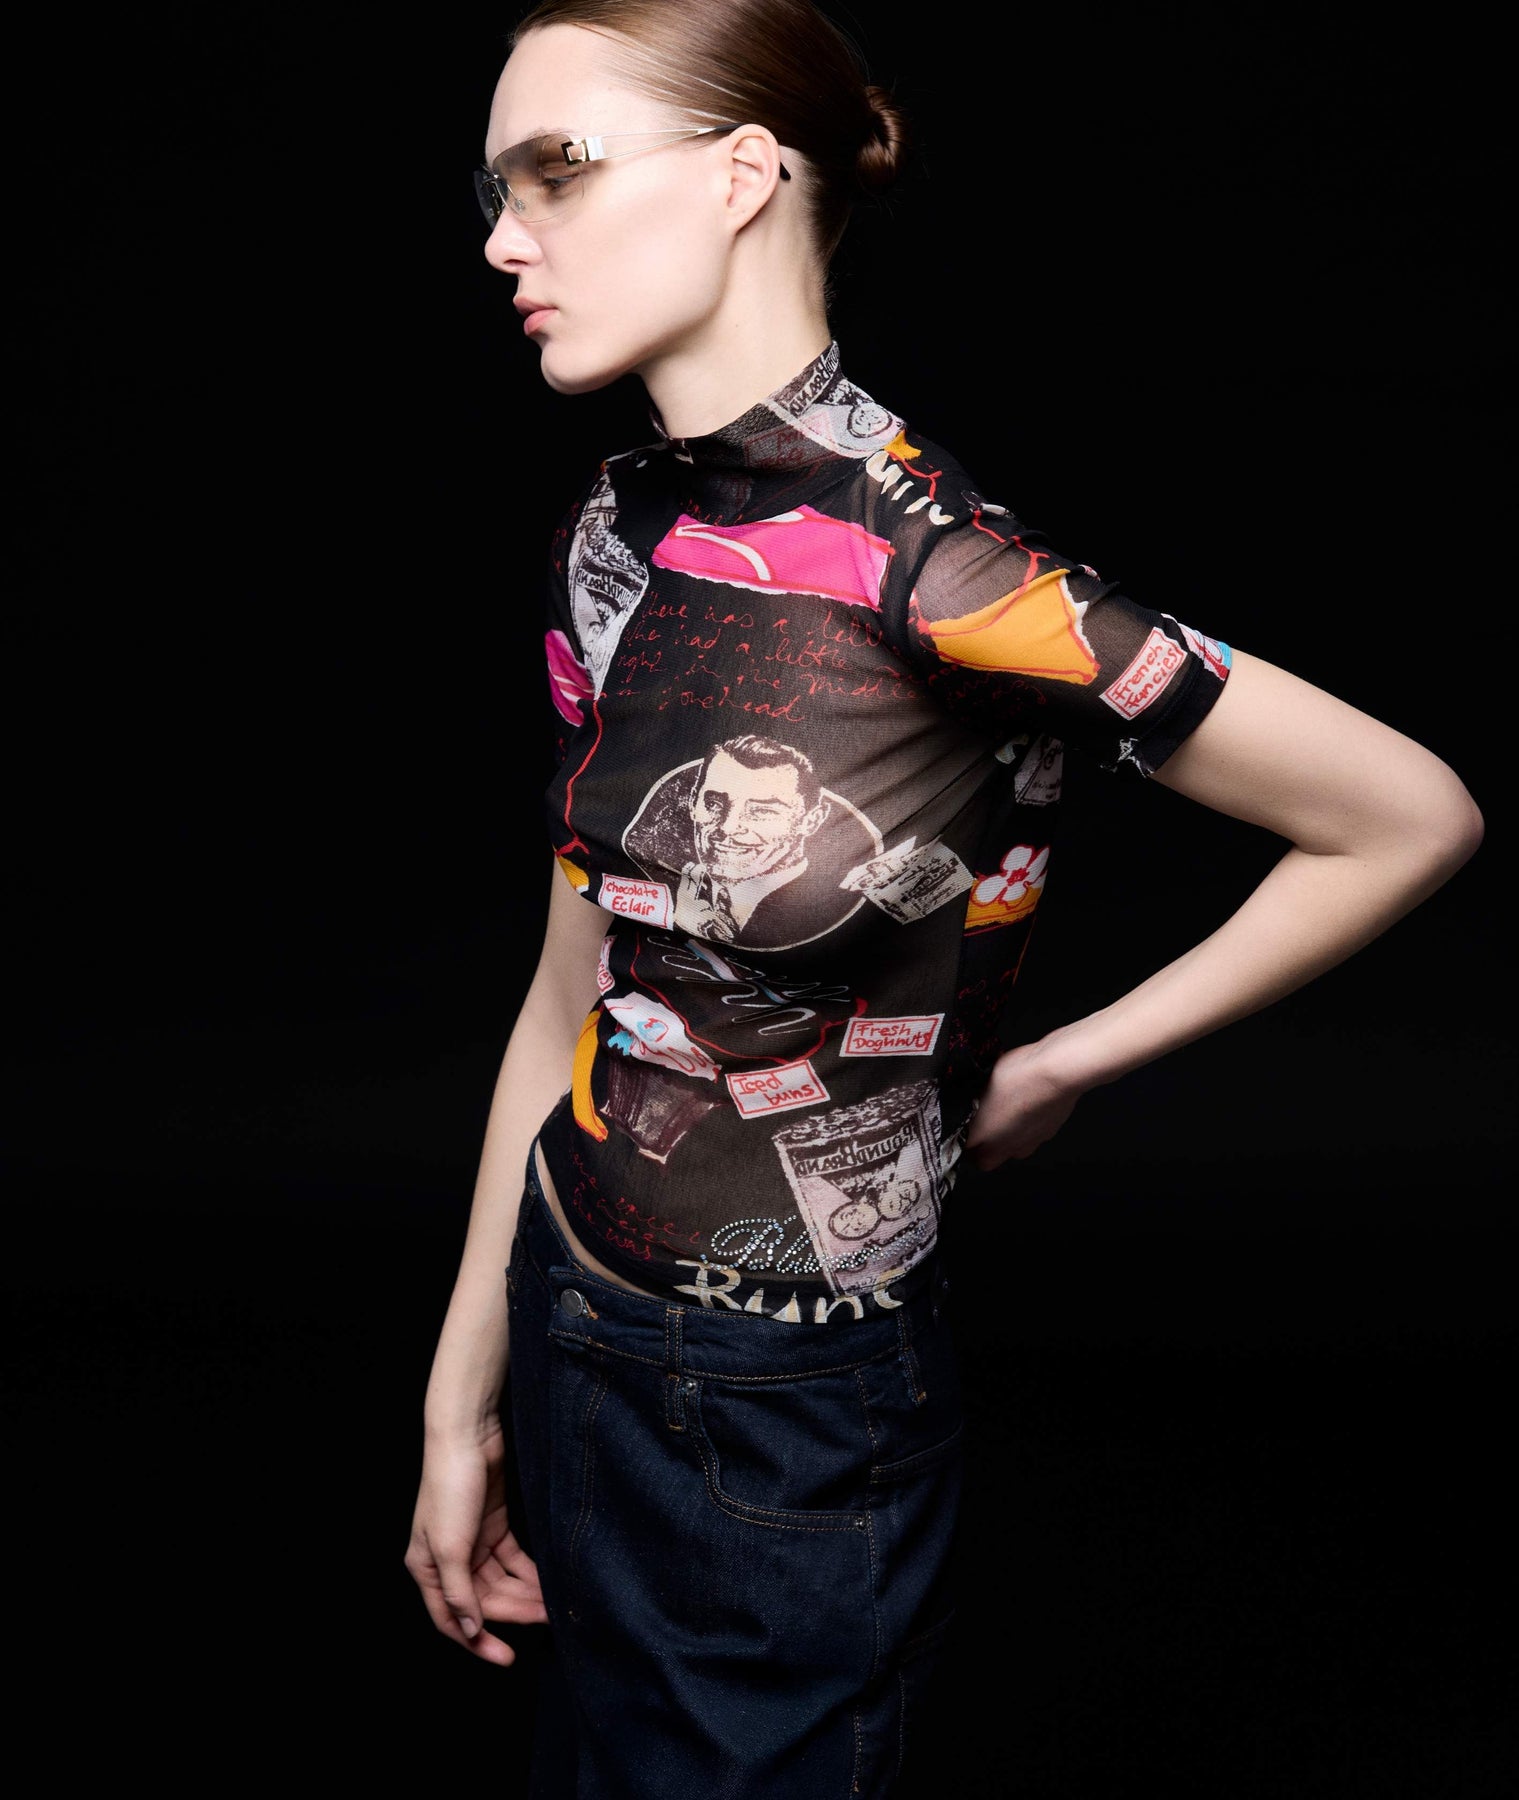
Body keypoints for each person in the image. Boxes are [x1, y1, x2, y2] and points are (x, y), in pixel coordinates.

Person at [404, 2, 1484, 1793]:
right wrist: (464, 1396)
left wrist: (1066, 1066)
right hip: (572, 1315)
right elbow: (570, 989)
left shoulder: (948, 580)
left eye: (559, 173)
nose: (506, 240)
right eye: (495, 190)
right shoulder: (621, 534)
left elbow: (1407, 817)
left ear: (744, 175)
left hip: (788, 1416)